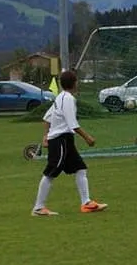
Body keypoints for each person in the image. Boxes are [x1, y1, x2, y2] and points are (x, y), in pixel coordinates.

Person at [32, 70, 108, 216]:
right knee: (51, 172)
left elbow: (46, 118)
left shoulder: (60, 97)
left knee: (80, 168)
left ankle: (86, 203)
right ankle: (38, 208)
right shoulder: (67, 99)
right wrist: (87, 138)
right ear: (74, 83)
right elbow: (73, 124)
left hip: (65, 140)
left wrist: (45, 135)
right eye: (77, 81)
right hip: (60, 140)